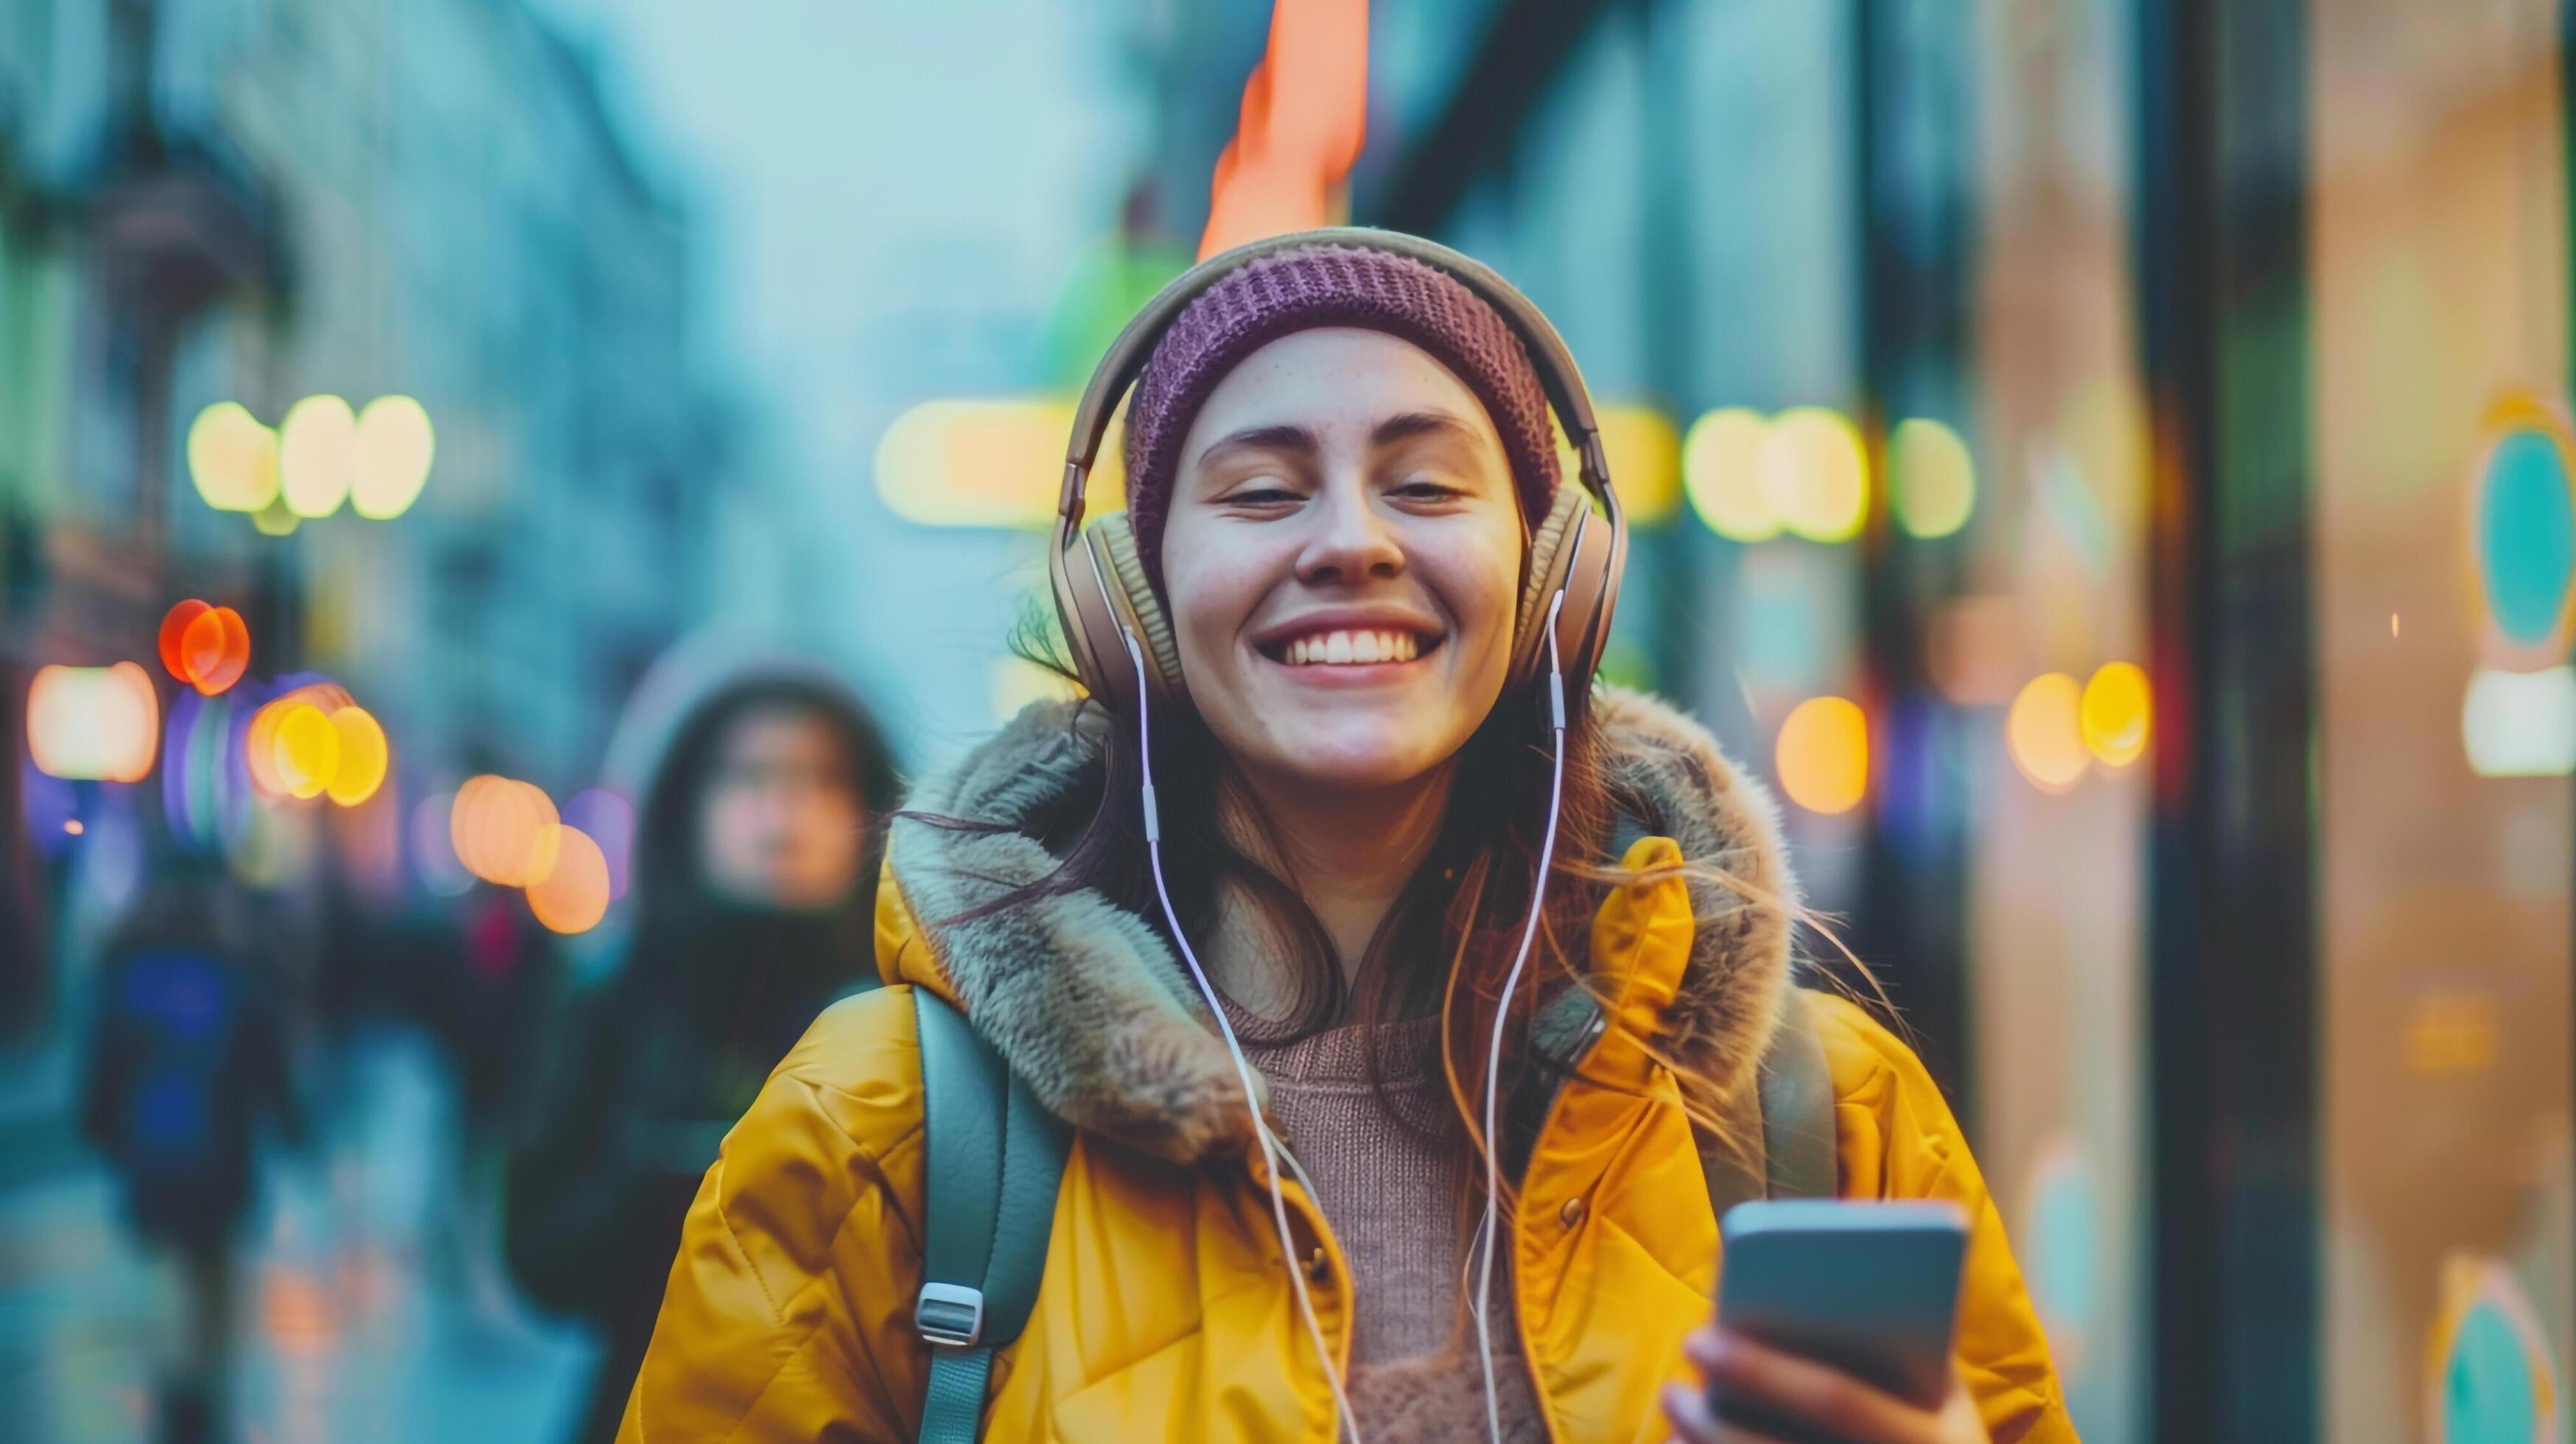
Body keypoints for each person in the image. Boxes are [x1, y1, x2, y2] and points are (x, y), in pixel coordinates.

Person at [619, 233, 2076, 1442]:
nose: (1350, 542)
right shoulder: (883, 1126)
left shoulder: (1818, 1111)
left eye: (1426, 483)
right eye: (1259, 489)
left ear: (1552, 577)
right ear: (1128, 606)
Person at [504, 649, 898, 1444]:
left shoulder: (900, 1019)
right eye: (748, 777)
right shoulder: (620, 1002)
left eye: (821, 780)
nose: (784, 812)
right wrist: (665, 1172)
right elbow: (538, 1256)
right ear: (687, 802)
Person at [79, 874, 300, 1444]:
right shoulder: (233, 972)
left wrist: (104, 1130)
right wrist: (293, 1122)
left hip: (154, 1155)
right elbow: (268, 1063)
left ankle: (177, 1385)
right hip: (220, 1156)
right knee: (215, 1274)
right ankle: (208, 1383)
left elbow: (106, 1064)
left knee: (167, 1276)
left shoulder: (130, 974)